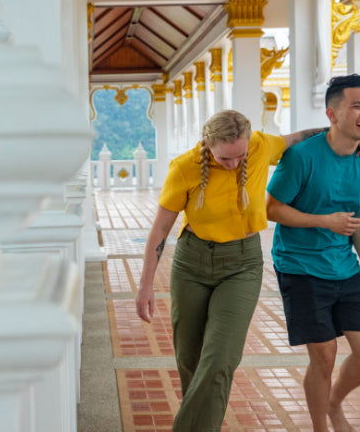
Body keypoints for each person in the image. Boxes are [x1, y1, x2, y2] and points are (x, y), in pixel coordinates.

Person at [135, 110, 334, 432]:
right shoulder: (184, 168)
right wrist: (145, 286)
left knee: (219, 360)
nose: (235, 163)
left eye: (241, 156)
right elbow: (159, 232)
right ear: (208, 145)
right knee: (190, 359)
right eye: (226, 158)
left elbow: (299, 137)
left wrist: (346, 134)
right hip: (191, 263)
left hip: (242, 265)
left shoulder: (258, 145)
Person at [265, 74, 360, 432]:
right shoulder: (301, 157)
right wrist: (324, 221)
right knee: (324, 356)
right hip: (299, 265)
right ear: (333, 114)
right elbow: (272, 209)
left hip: (345, 267)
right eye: (356, 105)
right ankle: (320, 427)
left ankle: (333, 403)